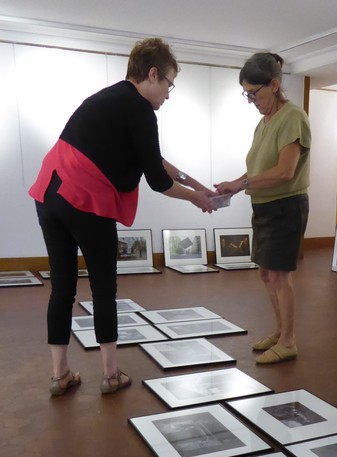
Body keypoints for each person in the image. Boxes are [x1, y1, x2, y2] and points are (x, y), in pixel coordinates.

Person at [29, 38, 215, 396]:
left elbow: (153, 159)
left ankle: (59, 375)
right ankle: (111, 375)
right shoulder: (141, 109)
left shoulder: (110, 98)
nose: (168, 95)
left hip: (49, 193)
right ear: (153, 74)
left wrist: (195, 184)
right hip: (84, 198)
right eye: (169, 84)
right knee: (103, 289)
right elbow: (158, 181)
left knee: (62, 287)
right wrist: (196, 200)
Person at [215, 52, 311, 364]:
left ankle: (288, 341)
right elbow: (259, 167)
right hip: (265, 207)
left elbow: (285, 171)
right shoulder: (265, 122)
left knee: (279, 277)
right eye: (247, 94)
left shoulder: (292, 117)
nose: (251, 100)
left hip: (286, 207)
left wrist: (242, 185)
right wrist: (237, 181)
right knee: (267, 274)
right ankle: (281, 331)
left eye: (254, 93)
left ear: (274, 84)